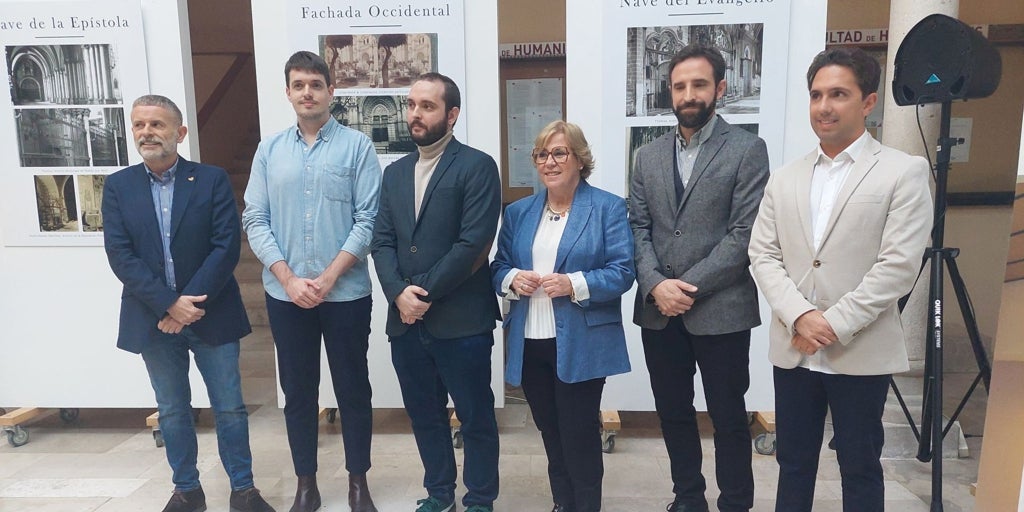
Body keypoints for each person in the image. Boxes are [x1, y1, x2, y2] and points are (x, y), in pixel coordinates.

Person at [748, 47, 933, 512]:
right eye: (816, 95)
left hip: (859, 348)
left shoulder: (902, 172)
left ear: (868, 102)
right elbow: (763, 254)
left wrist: (831, 323)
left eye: (838, 94)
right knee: (792, 463)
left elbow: (898, 266)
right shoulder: (784, 178)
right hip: (794, 349)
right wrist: (800, 316)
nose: (824, 106)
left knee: (860, 465)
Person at [102, 94, 274, 512]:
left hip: (211, 313)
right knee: (172, 410)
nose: (147, 133)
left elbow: (226, 246)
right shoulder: (119, 186)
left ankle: (243, 490)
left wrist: (188, 303)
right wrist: (168, 305)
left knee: (230, 407)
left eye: (157, 125)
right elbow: (120, 255)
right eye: (140, 125)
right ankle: (186, 490)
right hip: (154, 320)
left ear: (179, 133)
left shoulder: (212, 179)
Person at [628, 44, 769, 512]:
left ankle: (735, 503)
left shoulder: (748, 150)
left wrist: (684, 288)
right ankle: (688, 498)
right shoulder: (646, 157)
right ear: (670, 91)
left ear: (720, 88)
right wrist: (654, 284)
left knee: (729, 418)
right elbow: (638, 228)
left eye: (699, 84)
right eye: (680, 85)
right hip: (658, 312)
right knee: (673, 413)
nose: (689, 94)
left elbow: (743, 236)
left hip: (720, 311)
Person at [242, 50, 381, 512]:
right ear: (287, 93)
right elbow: (255, 219)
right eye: (298, 85)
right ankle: (307, 483)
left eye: (315, 84)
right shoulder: (269, 150)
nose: (307, 92)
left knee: (353, 388)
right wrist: (288, 277)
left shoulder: (357, 147)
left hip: (345, 293)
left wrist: (325, 277)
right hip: (286, 295)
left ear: (330, 91)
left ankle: (358, 482)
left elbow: (367, 221)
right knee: (298, 392)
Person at [371, 72, 501, 512]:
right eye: (411, 105)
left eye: (427, 106)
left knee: (475, 415)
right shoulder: (394, 173)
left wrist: (419, 294)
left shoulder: (477, 165)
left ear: (452, 114)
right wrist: (397, 294)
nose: (415, 114)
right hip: (405, 323)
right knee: (425, 415)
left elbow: (473, 245)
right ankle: (440, 493)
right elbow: (382, 241)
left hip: (461, 320)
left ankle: (480, 498)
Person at [492, 120, 634, 512]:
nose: (549, 162)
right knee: (551, 433)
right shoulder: (520, 212)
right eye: (542, 154)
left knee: (579, 433)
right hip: (531, 340)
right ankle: (562, 503)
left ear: (579, 159)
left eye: (559, 153)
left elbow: (623, 271)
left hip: (582, 341)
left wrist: (574, 283)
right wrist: (511, 278)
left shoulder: (606, 207)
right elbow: (497, 265)